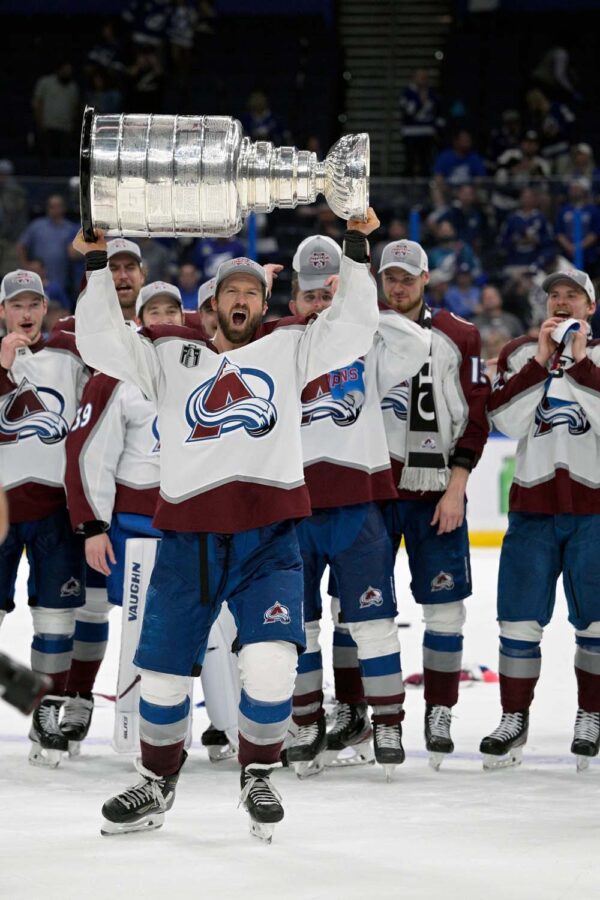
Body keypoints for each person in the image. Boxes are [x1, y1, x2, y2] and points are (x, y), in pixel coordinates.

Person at [73, 209, 381, 842]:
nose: (241, 301)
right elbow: (101, 342)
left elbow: (353, 327)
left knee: (269, 663)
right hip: (186, 539)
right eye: (229, 293)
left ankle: (258, 772)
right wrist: (97, 268)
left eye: (252, 294)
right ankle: (157, 782)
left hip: (269, 537)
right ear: (208, 305)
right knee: (160, 672)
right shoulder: (168, 354)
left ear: (263, 305)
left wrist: (355, 249)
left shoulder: (292, 346)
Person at [284, 236, 430, 777]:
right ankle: (305, 719)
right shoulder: (281, 347)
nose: (320, 307)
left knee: (372, 622)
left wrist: (360, 306)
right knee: (297, 626)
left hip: (357, 507)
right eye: (311, 297)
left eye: (330, 295)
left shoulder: (367, 346)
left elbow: (416, 347)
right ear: (294, 301)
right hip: (294, 508)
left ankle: (387, 721)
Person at [373, 240, 490, 767]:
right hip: (373, 490)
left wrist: (457, 487)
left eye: (407, 278)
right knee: (359, 608)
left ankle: (439, 709)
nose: (397, 287)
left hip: (433, 491)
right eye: (389, 278)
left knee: (445, 610)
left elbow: (476, 416)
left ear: (426, 280)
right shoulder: (358, 328)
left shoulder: (460, 335)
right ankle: (367, 711)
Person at [480, 268, 600, 770]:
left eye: (574, 295)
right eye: (556, 295)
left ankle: (591, 714)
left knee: (595, 621)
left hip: (593, 510)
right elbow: (502, 419)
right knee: (518, 619)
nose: (564, 301)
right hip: (533, 508)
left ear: (590, 307)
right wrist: (544, 362)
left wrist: (578, 364)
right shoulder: (518, 354)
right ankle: (514, 718)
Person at [63, 282, 184, 751]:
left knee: (205, 620)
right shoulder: (116, 373)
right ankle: (79, 696)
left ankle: (220, 716)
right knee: (105, 612)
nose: (162, 318)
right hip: (130, 522)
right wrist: (93, 524)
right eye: (153, 311)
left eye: (170, 310)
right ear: (140, 318)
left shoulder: (201, 364)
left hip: (188, 519)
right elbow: (91, 452)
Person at [0, 269, 89, 766]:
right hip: (2, 509)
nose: (27, 313)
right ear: (3, 313)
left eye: (35, 304)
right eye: (18, 305)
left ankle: (45, 712)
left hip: (56, 509)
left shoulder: (68, 355)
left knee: (56, 618)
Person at [17, 195, 79, 296]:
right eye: (51, 206)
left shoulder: (71, 228)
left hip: (63, 277)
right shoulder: (36, 226)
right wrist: (25, 265)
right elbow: (21, 246)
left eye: (58, 206)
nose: (55, 209)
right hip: (37, 278)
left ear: (64, 208)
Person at [32, 62, 80, 166]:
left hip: (65, 129)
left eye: (69, 72)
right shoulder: (45, 82)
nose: (67, 73)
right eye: (65, 71)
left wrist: (72, 125)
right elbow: (37, 104)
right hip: (47, 126)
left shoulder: (73, 87)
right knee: (46, 160)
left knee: (62, 161)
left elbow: (74, 108)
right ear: (59, 70)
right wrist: (40, 123)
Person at [399, 68, 444, 177]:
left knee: (426, 163)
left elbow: (437, 113)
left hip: (427, 133)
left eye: (425, 77)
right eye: (420, 77)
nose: (423, 80)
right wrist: (420, 101)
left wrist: (438, 130)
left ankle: (426, 190)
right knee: (410, 162)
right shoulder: (407, 93)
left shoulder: (432, 93)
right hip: (411, 133)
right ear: (414, 78)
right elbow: (408, 112)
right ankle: (406, 189)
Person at [555, 178, 600, 275]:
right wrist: (569, 247)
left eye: (576, 188)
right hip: (567, 254)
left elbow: (595, 232)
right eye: (571, 188)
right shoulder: (563, 210)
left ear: (584, 190)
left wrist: (578, 247)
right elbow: (559, 232)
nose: (573, 190)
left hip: (589, 255)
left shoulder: (593, 210)